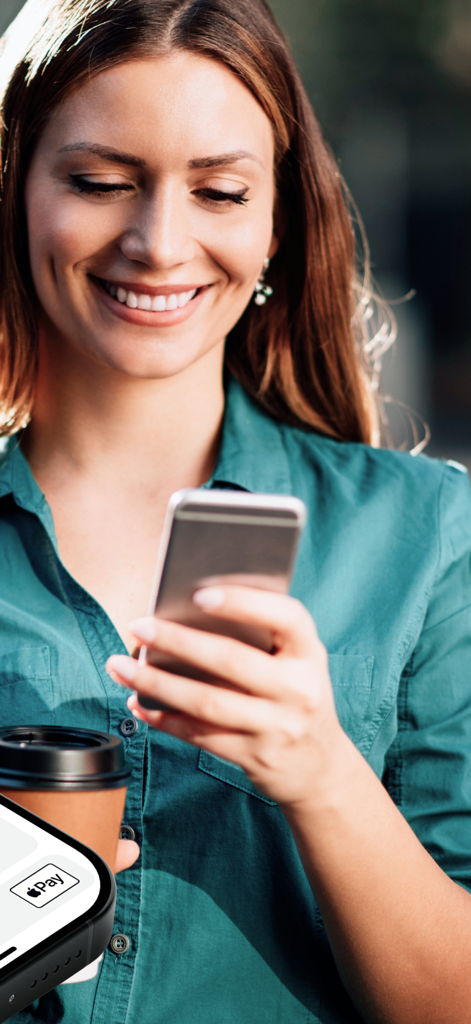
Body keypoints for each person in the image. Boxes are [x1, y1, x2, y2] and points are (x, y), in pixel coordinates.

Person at [1, 1, 471, 1021]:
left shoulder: (428, 535)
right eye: (99, 183)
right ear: (13, 190)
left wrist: (320, 773)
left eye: (219, 192)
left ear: (276, 223)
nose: (159, 243)